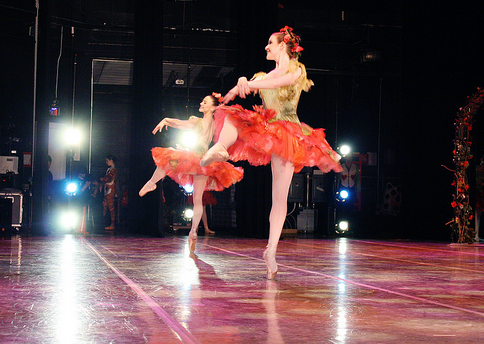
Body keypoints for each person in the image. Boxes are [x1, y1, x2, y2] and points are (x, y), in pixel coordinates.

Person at [199, 26, 342, 279]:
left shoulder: (296, 69)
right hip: (267, 127)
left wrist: (251, 82)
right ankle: (221, 147)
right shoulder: (262, 74)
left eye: (270, 43)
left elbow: (281, 81)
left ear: (283, 46)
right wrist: (239, 86)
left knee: (280, 198)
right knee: (233, 116)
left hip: (289, 133)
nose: (266, 47)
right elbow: (245, 93)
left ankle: (271, 252)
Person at [139, 94, 244, 253]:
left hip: (197, 157)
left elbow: (181, 124)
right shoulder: (217, 124)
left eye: (205, 102)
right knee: (197, 199)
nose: (201, 103)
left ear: (213, 107)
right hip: (204, 161)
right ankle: (193, 231)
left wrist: (166, 120)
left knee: (167, 159)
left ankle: (152, 182)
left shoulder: (200, 121)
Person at [99, 155, 118, 230]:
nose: (106, 162)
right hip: (107, 189)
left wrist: (103, 180)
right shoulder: (110, 169)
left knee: (111, 207)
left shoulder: (113, 170)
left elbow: (108, 178)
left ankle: (112, 224)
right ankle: (105, 223)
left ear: (111, 161)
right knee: (105, 205)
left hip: (110, 190)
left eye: (107, 160)